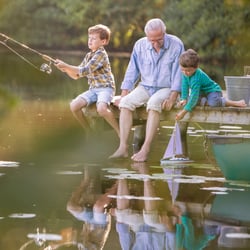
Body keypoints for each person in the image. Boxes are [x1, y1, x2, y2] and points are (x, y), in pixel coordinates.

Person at [110, 18, 184, 162]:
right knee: (125, 103)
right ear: (147, 36)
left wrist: (173, 97)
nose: (155, 43)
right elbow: (132, 71)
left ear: (164, 32)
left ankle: (145, 149)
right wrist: (124, 94)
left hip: (166, 87)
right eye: (152, 40)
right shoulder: (140, 45)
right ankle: (123, 147)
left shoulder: (176, 44)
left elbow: (178, 74)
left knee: (154, 103)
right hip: (146, 86)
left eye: (159, 39)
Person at [55, 24, 119, 137]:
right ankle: (89, 131)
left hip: (106, 89)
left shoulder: (101, 54)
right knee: (74, 106)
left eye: (94, 38)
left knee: (102, 109)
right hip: (94, 89)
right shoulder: (89, 55)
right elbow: (76, 75)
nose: (90, 40)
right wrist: (65, 69)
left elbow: (84, 70)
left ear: (103, 41)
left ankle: (120, 133)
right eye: (89, 38)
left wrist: (67, 65)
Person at [175, 49, 247, 121]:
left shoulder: (196, 78)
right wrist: (183, 99)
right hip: (201, 93)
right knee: (189, 100)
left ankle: (233, 102)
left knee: (213, 103)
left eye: (188, 71)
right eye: (182, 70)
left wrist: (183, 112)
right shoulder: (185, 74)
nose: (185, 73)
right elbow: (184, 87)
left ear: (196, 68)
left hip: (213, 91)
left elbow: (194, 97)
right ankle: (205, 101)